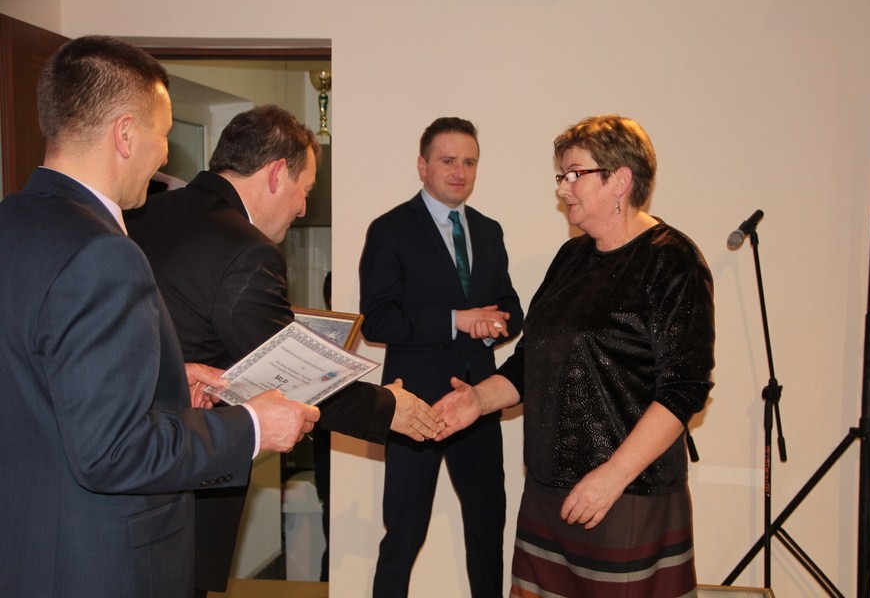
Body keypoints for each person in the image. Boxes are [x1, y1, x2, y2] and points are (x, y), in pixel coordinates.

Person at [0, 36, 318, 598]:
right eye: (163, 133)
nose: (166, 156)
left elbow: (38, 380)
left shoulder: (12, 222)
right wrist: (251, 427)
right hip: (98, 565)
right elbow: (113, 452)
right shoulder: (103, 252)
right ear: (125, 134)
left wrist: (166, 379)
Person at [126, 104, 443, 596]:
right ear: (277, 174)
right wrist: (389, 407)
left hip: (126, 467)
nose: (302, 209)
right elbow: (291, 380)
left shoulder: (143, 213)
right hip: (182, 481)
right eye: (305, 191)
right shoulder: (246, 248)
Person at [433, 114, 715, 597]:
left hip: (626, 496)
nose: (562, 188)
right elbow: (531, 361)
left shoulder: (672, 260)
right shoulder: (570, 258)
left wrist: (611, 477)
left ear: (620, 179)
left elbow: (684, 390)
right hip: (548, 491)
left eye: (574, 174)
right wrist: (477, 401)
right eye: (561, 176)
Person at [359, 116, 524, 598]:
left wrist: (495, 327)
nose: (459, 172)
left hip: (478, 402)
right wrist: (456, 320)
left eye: (469, 162)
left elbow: (511, 308)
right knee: (404, 533)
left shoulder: (489, 231)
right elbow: (377, 321)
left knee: (488, 528)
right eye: (448, 160)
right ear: (422, 166)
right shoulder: (390, 229)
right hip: (414, 407)